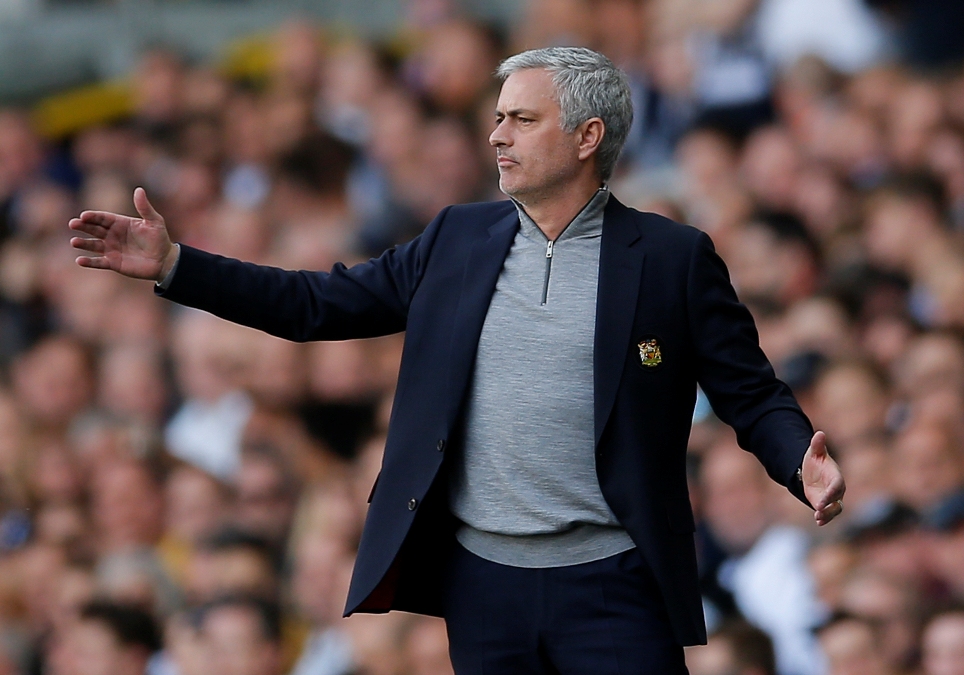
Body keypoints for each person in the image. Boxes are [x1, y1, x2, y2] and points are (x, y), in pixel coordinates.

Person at [69, 46, 845, 674]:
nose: (497, 135)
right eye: (497, 117)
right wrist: (177, 265)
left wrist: (796, 460)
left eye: (521, 118)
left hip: (614, 581)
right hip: (483, 585)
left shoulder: (673, 258)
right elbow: (315, 305)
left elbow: (749, 389)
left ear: (586, 137)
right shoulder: (454, 238)